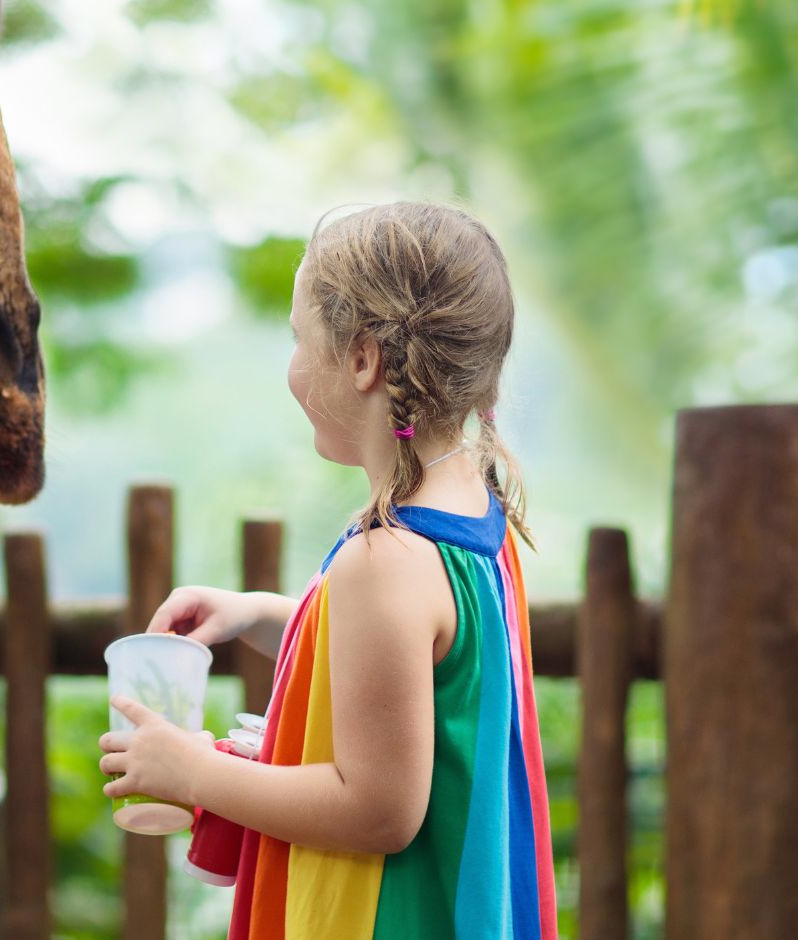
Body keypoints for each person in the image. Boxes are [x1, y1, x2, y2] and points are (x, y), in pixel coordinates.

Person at [98, 201, 557, 938]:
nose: (291, 365)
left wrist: (192, 772)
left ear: (362, 358)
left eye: (297, 339)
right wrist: (262, 614)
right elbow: (414, 680)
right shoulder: (468, 506)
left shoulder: (387, 560)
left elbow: (377, 809)